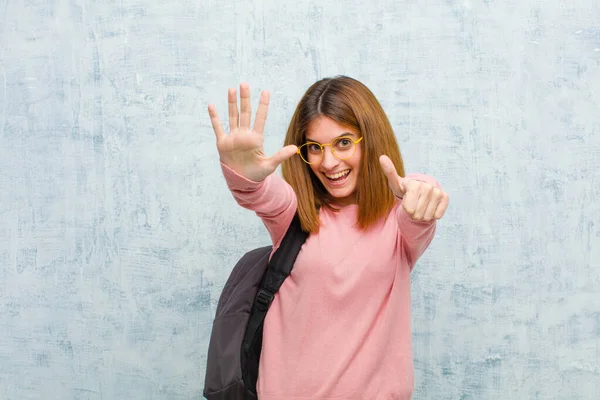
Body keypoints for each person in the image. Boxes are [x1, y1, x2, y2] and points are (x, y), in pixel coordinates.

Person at [208, 75, 449, 400]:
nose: (330, 162)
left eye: (344, 143)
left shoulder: (398, 221)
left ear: (371, 139)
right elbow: (261, 193)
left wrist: (423, 189)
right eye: (315, 148)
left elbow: (417, 205)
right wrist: (242, 173)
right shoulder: (294, 213)